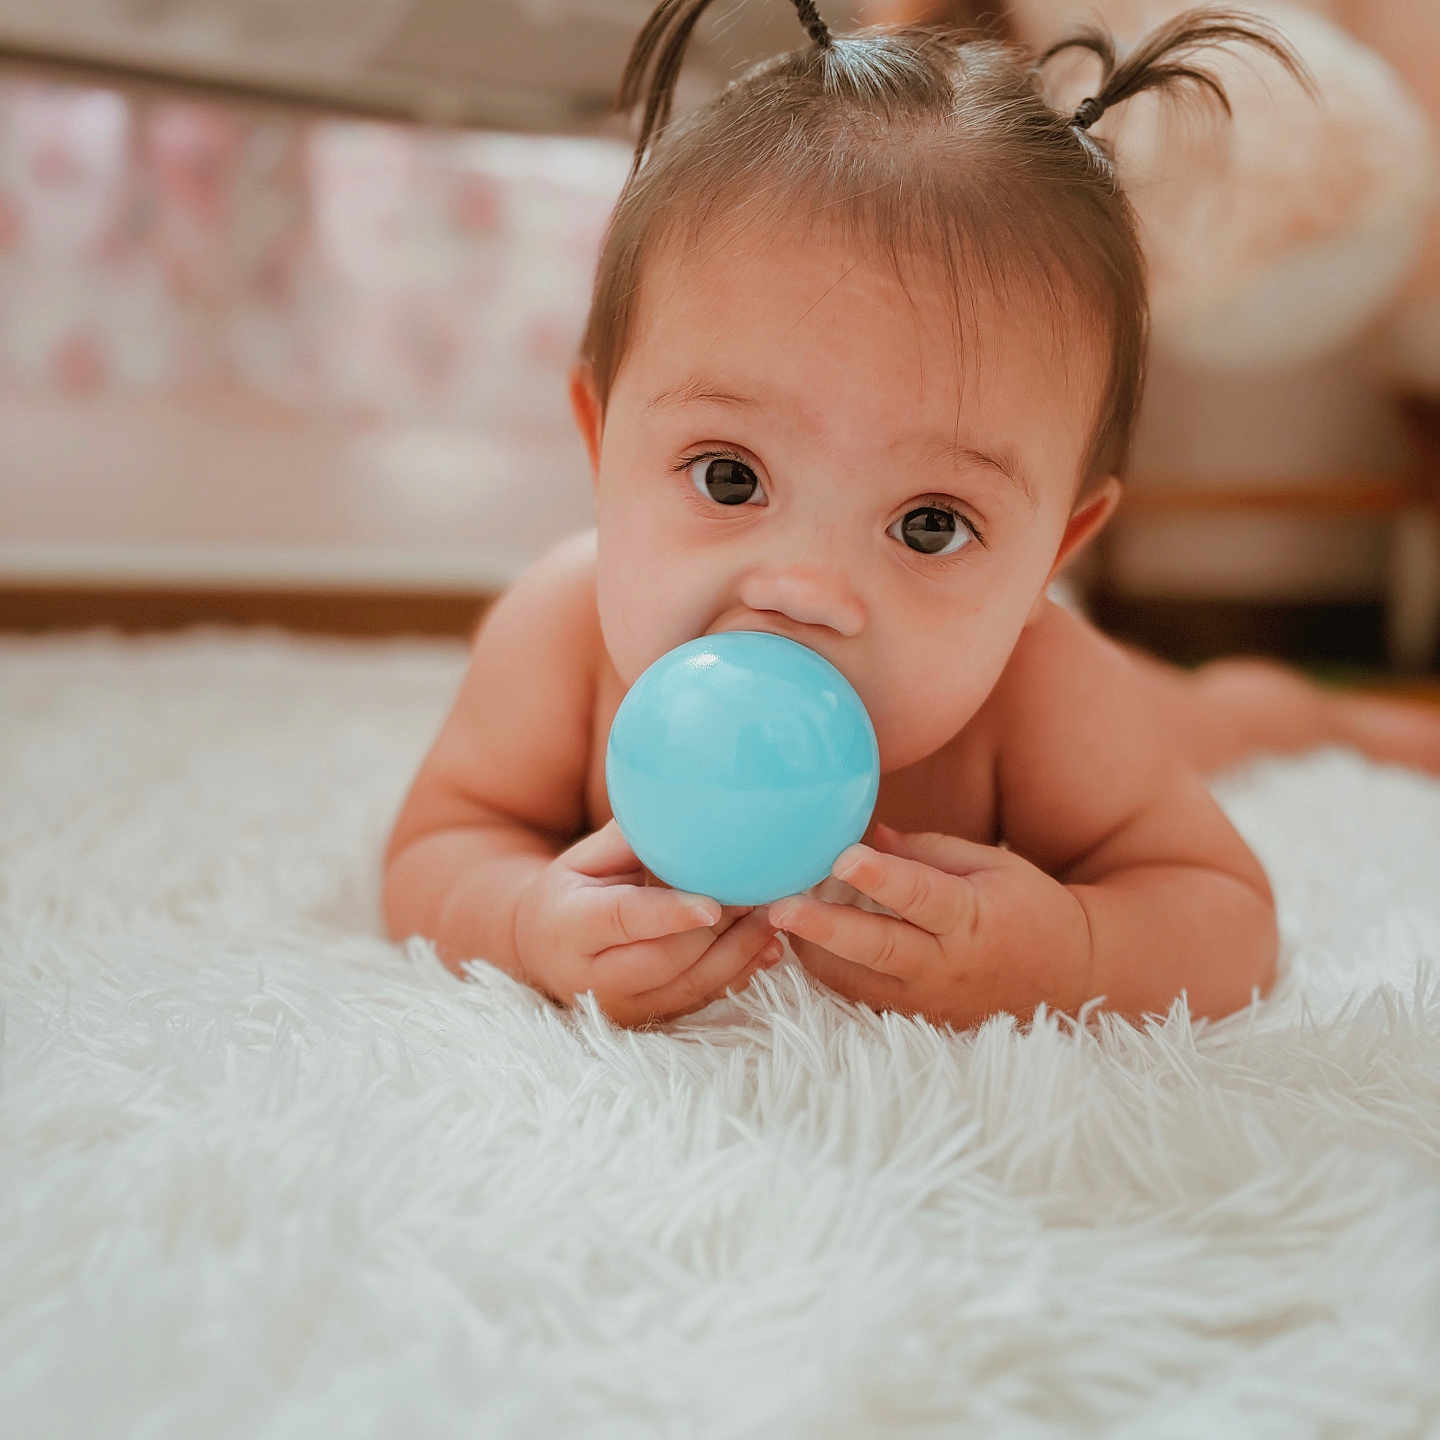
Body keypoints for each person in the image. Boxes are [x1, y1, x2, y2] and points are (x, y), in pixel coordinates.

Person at [384, 2, 1440, 1032]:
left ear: (1050, 559)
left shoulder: (1041, 691)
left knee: (1215, 724)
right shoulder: (558, 637)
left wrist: (1071, 949)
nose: (803, 590)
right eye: (729, 479)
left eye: (931, 524)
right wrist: (523, 919)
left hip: (1128, 711)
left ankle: (1330, 715)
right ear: (601, 441)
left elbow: (1226, 919)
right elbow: (440, 848)